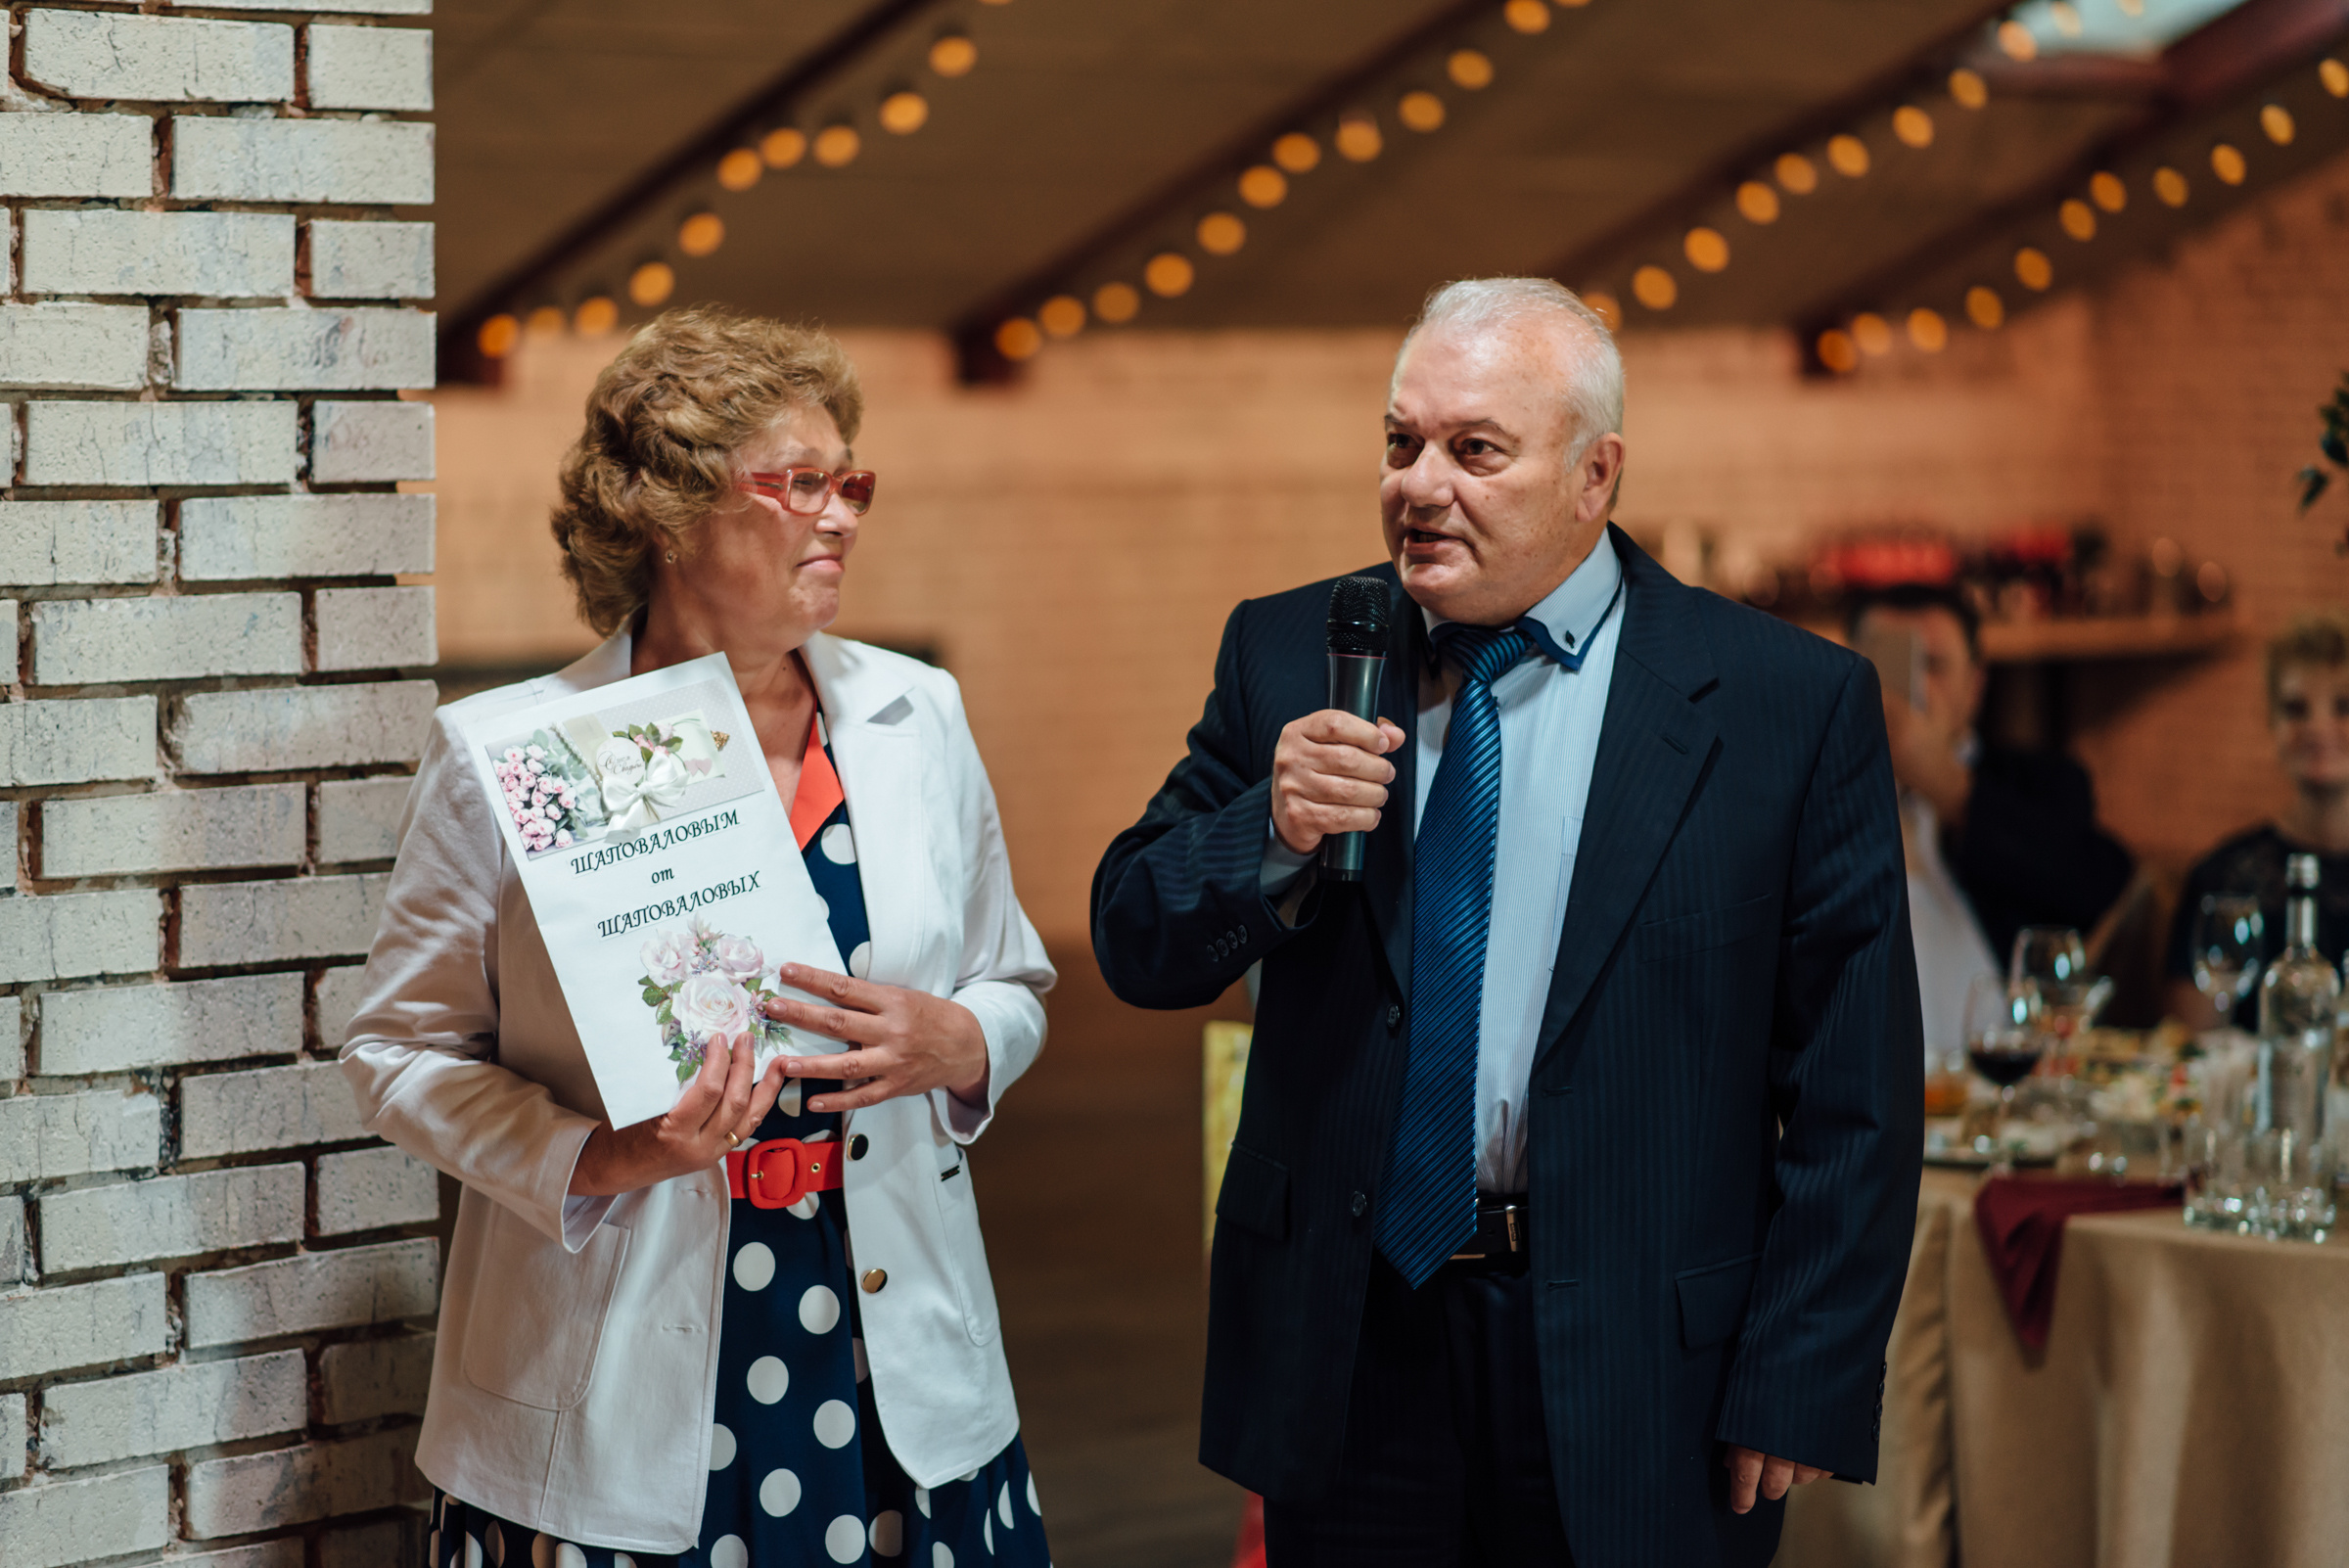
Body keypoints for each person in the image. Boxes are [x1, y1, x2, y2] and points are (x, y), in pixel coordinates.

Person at [1092, 278, 1921, 1567]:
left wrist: (1801, 1368)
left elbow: (1854, 1090)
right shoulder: (1290, 653)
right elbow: (1135, 935)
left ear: (1597, 475)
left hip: (1651, 1362)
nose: (1421, 485)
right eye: (1400, 442)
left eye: (1475, 450)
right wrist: (1267, 828)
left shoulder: (1784, 705)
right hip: (1355, 1346)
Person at [342, 308, 1056, 1567]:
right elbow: (399, 1053)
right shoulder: (520, 758)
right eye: (800, 484)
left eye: (850, 484)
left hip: (898, 1355)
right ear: (667, 514)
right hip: (615, 1371)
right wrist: (597, 1158)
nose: (840, 515)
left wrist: (963, 1037)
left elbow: (1014, 980)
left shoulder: (915, 715)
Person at [1847, 584, 2135, 1049]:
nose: (1913, 688)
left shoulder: (2037, 782)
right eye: (1889, 663)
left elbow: (2093, 882)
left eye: (1935, 665)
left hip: (1996, 1055)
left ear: (1975, 684)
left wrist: (1941, 780)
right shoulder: (1814, 789)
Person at [2166, 610, 2349, 1029]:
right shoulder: (2224, 877)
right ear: (2271, 721)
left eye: (2343, 706)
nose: (2318, 728)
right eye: (2296, 708)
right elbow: (2194, 1048)